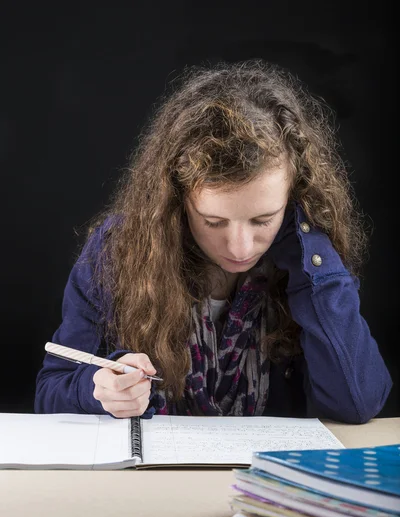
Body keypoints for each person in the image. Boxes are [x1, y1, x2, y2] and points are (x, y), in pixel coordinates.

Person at [35, 59, 392, 423]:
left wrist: (315, 268)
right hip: (148, 479)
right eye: (214, 221)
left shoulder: (309, 257)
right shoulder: (117, 252)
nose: (239, 248)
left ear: (294, 199)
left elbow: (357, 404)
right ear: (177, 198)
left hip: (262, 477)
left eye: (263, 220)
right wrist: (97, 387)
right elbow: (50, 390)